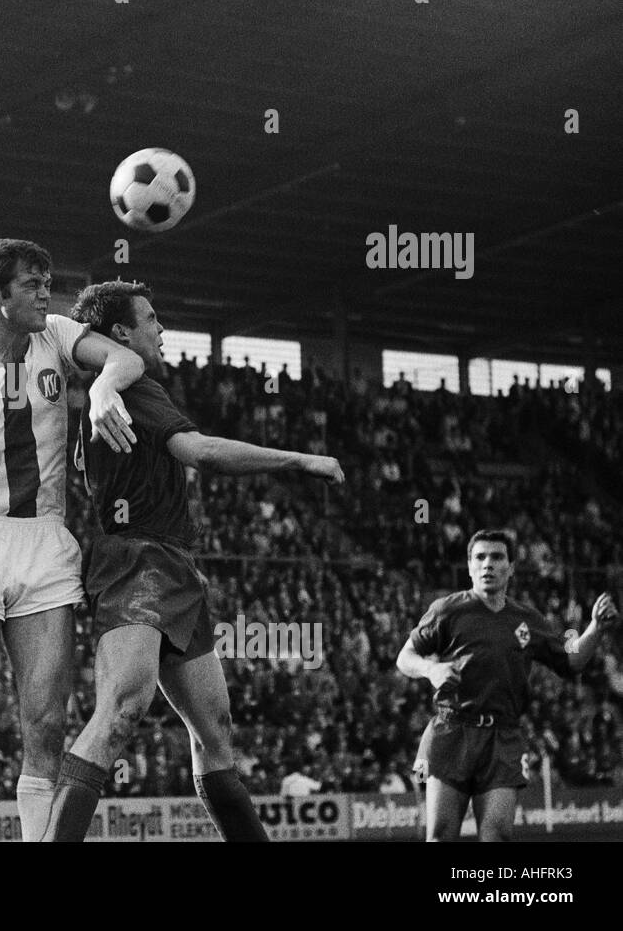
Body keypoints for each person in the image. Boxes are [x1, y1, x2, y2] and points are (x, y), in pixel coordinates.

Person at [42, 281, 343, 841]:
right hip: (139, 559)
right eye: (152, 319)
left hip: (170, 563)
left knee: (215, 732)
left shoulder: (112, 392)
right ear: (122, 334)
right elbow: (200, 452)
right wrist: (300, 459)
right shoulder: (138, 390)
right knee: (119, 714)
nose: (162, 330)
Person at [0, 240, 145, 842]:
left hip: (45, 545)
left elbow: (126, 361)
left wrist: (101, 389)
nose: (46, 293)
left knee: (46, 726)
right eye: (31, 284)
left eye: (48, 281)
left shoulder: (58, 335)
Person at [397, 528, 618, 841]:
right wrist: (430, 669)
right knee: (441, 835)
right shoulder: (447, 610)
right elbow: (404, 657)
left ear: (511, 567)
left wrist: (595, 628)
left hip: (503, 737)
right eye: (480, 557)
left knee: (497, 836)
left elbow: (570, 663)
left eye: (497, 557)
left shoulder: (527, 618)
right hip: (451, 732)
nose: (488, 564)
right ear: (470, 565)